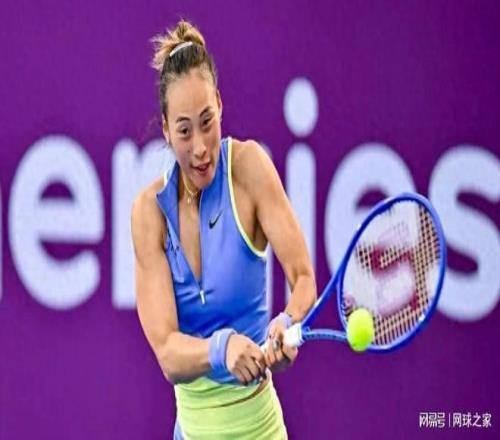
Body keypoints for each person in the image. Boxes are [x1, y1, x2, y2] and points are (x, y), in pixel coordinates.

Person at [131, 19, 316, 439]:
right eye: (184, 131)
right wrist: (223, 347)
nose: (200, 146)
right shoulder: (148, 214)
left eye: (207, 121)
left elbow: (303, 277)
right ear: (165, 129)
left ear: (219, 104)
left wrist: (288, 321)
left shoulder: (249, 169)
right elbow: (167, 353)